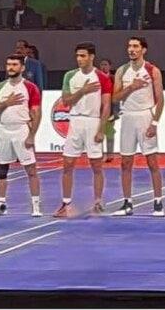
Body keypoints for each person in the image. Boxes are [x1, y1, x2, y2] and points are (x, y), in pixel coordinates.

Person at [54, 42, 113, 218]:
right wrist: (83, 90)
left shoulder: (102, 77)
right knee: (68, 164)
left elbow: (106, 105)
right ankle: (65, 203)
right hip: (75, 121)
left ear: (91, 57)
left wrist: (101, 129)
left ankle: (98, 202)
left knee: (96, 165)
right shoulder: (70, 76)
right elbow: (66, 101)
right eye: (78, 56)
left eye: (83, 56)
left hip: (93, 121)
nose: (79, 59)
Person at [111, 37, 165, 216]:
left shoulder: (152, 70)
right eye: (129, 46)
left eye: (135, 46)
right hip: (127, 116)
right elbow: (115, 98)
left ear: (143, 50)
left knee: (152, 161)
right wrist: (131, 87)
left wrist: (154, 123)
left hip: (145, 116)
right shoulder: (121, 71)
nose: (131, 49)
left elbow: (160, 99)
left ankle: (158, 202)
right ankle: (127, 202)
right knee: (125, 162)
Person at [0, 54, 43, 217]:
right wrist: (6, 103)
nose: (10, 67)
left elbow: (37, 113)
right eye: (8, 64)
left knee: (31, 169)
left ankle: (36, 206)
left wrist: (32, 135)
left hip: (22, 129)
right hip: (4, 130)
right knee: (1, 169)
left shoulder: (30, 87)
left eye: (14, 64)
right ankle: (0, 205)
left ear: (22, 68)